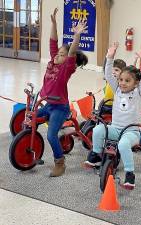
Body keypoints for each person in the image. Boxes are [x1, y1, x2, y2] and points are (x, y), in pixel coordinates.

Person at [84, 42, 141, 189]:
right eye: (121, 80)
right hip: (115, 128)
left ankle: (129, 173)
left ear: (136, 83)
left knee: (122, 144)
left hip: (131, 132)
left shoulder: (138, 93)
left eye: (127, 81)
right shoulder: (117, 90)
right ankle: (96, 154)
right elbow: (108, 74)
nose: (122, 83)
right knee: (97, 130)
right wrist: (110, 57)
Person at [37, 8, 88, 177]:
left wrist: (76, 36)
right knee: (29, 119)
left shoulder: (66, 68)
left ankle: (60, 162)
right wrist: (53, 23)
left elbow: (72, 51)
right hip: (48, 104)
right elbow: (53, 40)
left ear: (68, 60)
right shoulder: (53, 61)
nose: (57, 55)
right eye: (57, 53)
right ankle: (31, 147)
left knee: (51, 136)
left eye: (61, 54)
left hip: (60, 108)